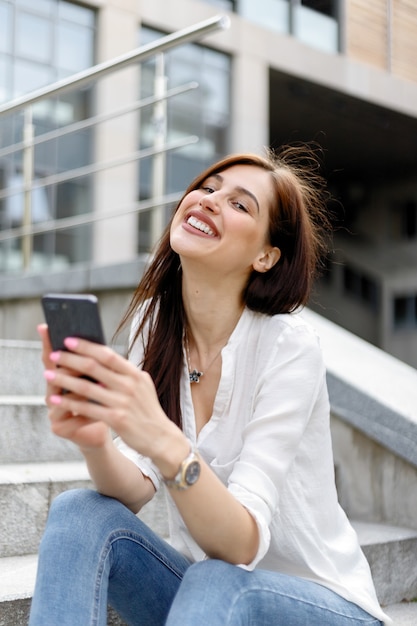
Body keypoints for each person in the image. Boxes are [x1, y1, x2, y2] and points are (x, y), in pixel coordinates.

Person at [29, 147, 390, 625]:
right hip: (208, 605)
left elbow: (240, 545)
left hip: (320, 603)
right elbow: (135, 487)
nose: (209, 201)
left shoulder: (289, 348)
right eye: (208, 187)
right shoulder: (155, 326)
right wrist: (96, 442)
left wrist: (163, 438)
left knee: (217, 577)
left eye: (240, 205)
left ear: (266, 255)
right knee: (79, 511)